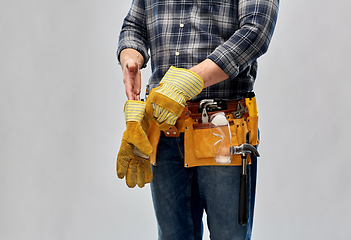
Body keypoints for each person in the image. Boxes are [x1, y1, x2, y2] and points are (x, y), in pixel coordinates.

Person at [116, 0, 279, 239]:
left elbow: (256, 31)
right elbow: (134, 26)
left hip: (222, 130)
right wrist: (130, 59)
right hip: (164, 129)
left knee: (229, 236)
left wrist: (189, 81)